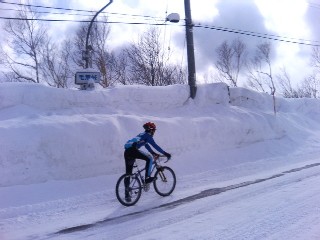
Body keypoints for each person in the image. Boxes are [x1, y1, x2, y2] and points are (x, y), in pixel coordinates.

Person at [124, 122, 171, 201]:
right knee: (149, 159)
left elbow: (146, 145)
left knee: (128, 174)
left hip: (127, 152)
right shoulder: (148, 136)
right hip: (133, 150)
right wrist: (165, 153)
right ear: (151, 130)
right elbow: (155, 145)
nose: (154, 132)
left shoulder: (142, 135)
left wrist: (153, 153)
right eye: (154, 131)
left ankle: (127, 195)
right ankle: (147, 178)